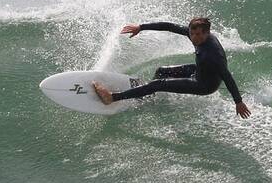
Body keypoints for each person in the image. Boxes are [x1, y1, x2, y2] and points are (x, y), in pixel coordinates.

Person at [92, 17, 252, 119]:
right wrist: (141, 27)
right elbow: (168, 26)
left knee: (159, 84)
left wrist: (238, 102)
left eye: (199, 35)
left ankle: (112, 98)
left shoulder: (213, 54)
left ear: (207, 34)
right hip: (200, 71)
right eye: (192, 34)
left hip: (204, 85)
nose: (194, 38)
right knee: (161, 71)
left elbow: (227, 76)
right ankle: (147, 95)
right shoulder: (193, 34)